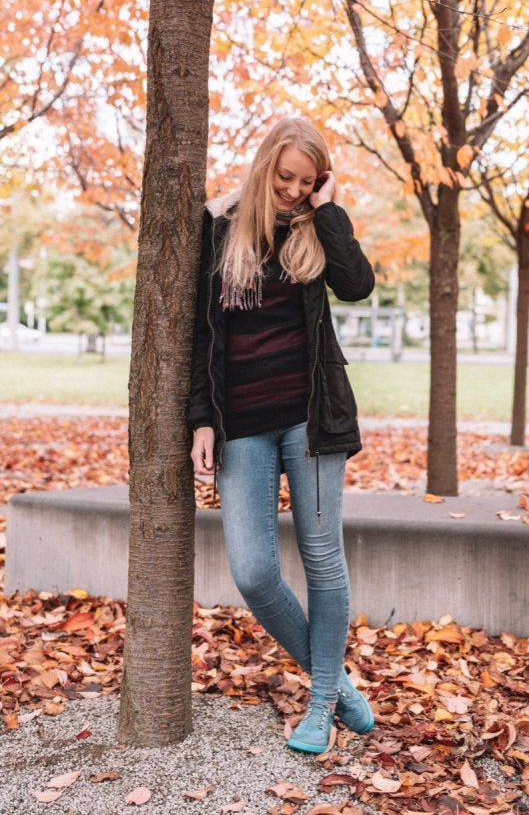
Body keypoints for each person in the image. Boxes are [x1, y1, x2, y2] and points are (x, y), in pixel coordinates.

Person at [187, 117, 376, 754]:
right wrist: (202, 419)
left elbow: (357, 286)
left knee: (323, 561)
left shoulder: (315, 229)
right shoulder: (219, 226)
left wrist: (329, 210)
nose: (292, 190)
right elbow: (202, 335)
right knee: (254, 573)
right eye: (285, 176)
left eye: (306, 180)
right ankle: (341, 684)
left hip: (311, 420)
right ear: (265, 163)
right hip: (242, 424)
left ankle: (321, 705)